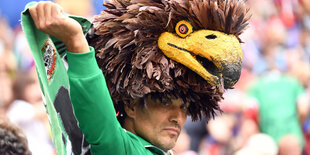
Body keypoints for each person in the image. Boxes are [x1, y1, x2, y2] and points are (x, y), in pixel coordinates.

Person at [29, 2, 187, 154]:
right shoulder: (122, 150)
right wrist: (76, 41)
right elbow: (104, 132)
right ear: (131, 106)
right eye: (165, 102)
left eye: (184, 107)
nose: (178, 118)